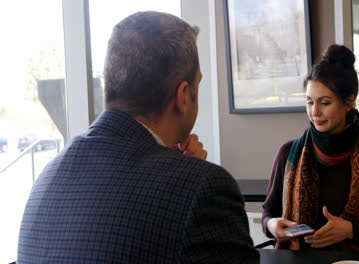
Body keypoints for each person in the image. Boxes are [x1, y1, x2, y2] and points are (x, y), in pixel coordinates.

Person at [17, 11, 259, 263]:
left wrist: (179, 170)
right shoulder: (204, 187)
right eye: (198, 83)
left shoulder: (47, 177)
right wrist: (190, 176)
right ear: (184, 95)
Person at [261, 44, 359, 253]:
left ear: (349, 101)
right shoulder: (288, 153)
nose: (314, 112)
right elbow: (268, 213)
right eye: (309, 102)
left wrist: (350, 230)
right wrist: (272, 226)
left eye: (324, 102)